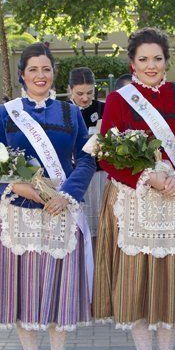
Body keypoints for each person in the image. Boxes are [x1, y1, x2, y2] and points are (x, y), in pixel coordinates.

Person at [0, 44, 95, 350]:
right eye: (33, 70)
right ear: (22, 75)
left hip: (60, 207)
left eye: (46, 69)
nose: (40, 76)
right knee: (23, 291)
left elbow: (86, 159)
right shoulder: (6, 114)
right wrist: (25, 190)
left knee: (59, 290)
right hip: (18, 209)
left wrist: (68, 193)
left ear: (53, 73)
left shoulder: (70, 113)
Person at [92, 27, 175, 350]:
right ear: (132, 63)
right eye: (144, 59)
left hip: (174, 198)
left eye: (157, 59)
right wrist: (146, 177)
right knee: (137, 281)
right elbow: (107, 154)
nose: (151, 65)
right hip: (134, 198)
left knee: (172, 278)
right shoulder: (118, 100)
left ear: (167, 61)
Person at [68, 66, 107, 238]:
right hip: (73, 175)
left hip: (100, 175)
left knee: (100, 225)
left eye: (89, 93)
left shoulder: (103, 108)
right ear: (69, 90)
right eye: (79, 93)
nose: (85, 98)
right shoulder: (63, 110)